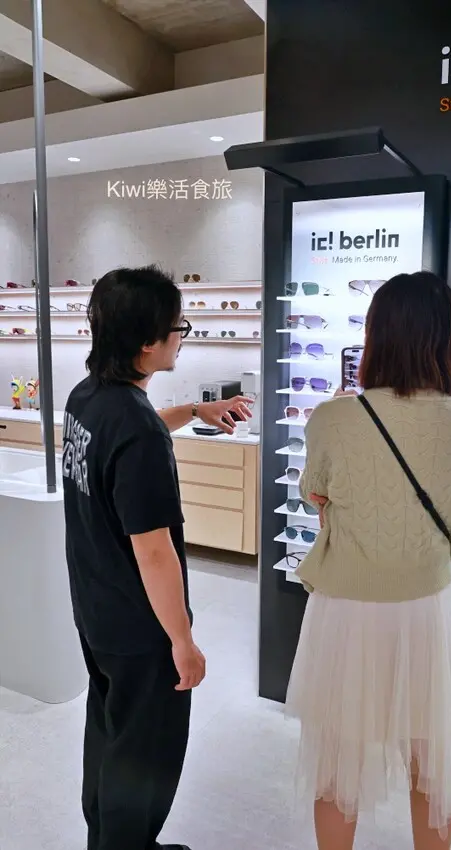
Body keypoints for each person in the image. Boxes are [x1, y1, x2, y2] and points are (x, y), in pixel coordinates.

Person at [286, 271, 451, 850]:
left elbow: (316, 493)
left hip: (347, 607)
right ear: (445, 338)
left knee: (337, 762)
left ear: (375, 335)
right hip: (428, 604)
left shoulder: (331, 418)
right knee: (433, 761)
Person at [62, 265, 252, 850]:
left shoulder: (87, 398)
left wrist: (193, 411)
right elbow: (153, 552)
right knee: (145, 753)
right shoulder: (136, 427)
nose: (181, 337)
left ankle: (108, 839)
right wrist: (182, 641)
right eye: (178, 328)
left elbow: (128, 436)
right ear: (148, 342)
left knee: (110, 732)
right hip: (139, 627)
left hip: (96, 609)